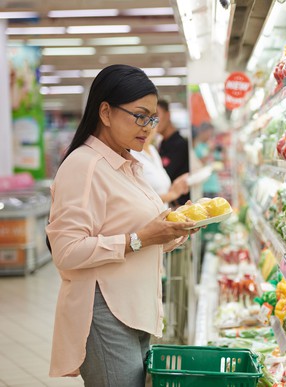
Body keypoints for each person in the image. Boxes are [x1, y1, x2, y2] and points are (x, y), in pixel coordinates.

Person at [45, 64, 199, 386]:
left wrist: (176, 228)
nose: (148, 127)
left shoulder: (128, 165)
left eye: (153, 118)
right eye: (140, 116)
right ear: (105, 112)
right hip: (103, 310)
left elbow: (147, 232)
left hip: (134, 307)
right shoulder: (83, 166)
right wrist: (140, 239)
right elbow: (66, 251)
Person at [130, 125, 189, 207]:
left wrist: (178, 186)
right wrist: (173, 194)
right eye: (143, 120)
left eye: (152, 121)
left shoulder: (153, 150)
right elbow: (138, 201)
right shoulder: (131, 154)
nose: (148, 128)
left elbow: (160, 188)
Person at [157, 100, 190, 205]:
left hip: (182, 204)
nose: (153, 121)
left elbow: (167, 174)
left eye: (156, 115)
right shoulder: (161, 144)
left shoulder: (180, 144)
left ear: (168, 115)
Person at [194, 124, 222, 198]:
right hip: (204, 187)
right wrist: (209, 151)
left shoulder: (209, 146)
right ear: (202, 132)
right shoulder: (197, 146)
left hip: (214, 186)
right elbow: (199, 164)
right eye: (209, 133)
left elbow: (221, 161)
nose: (210, 136)